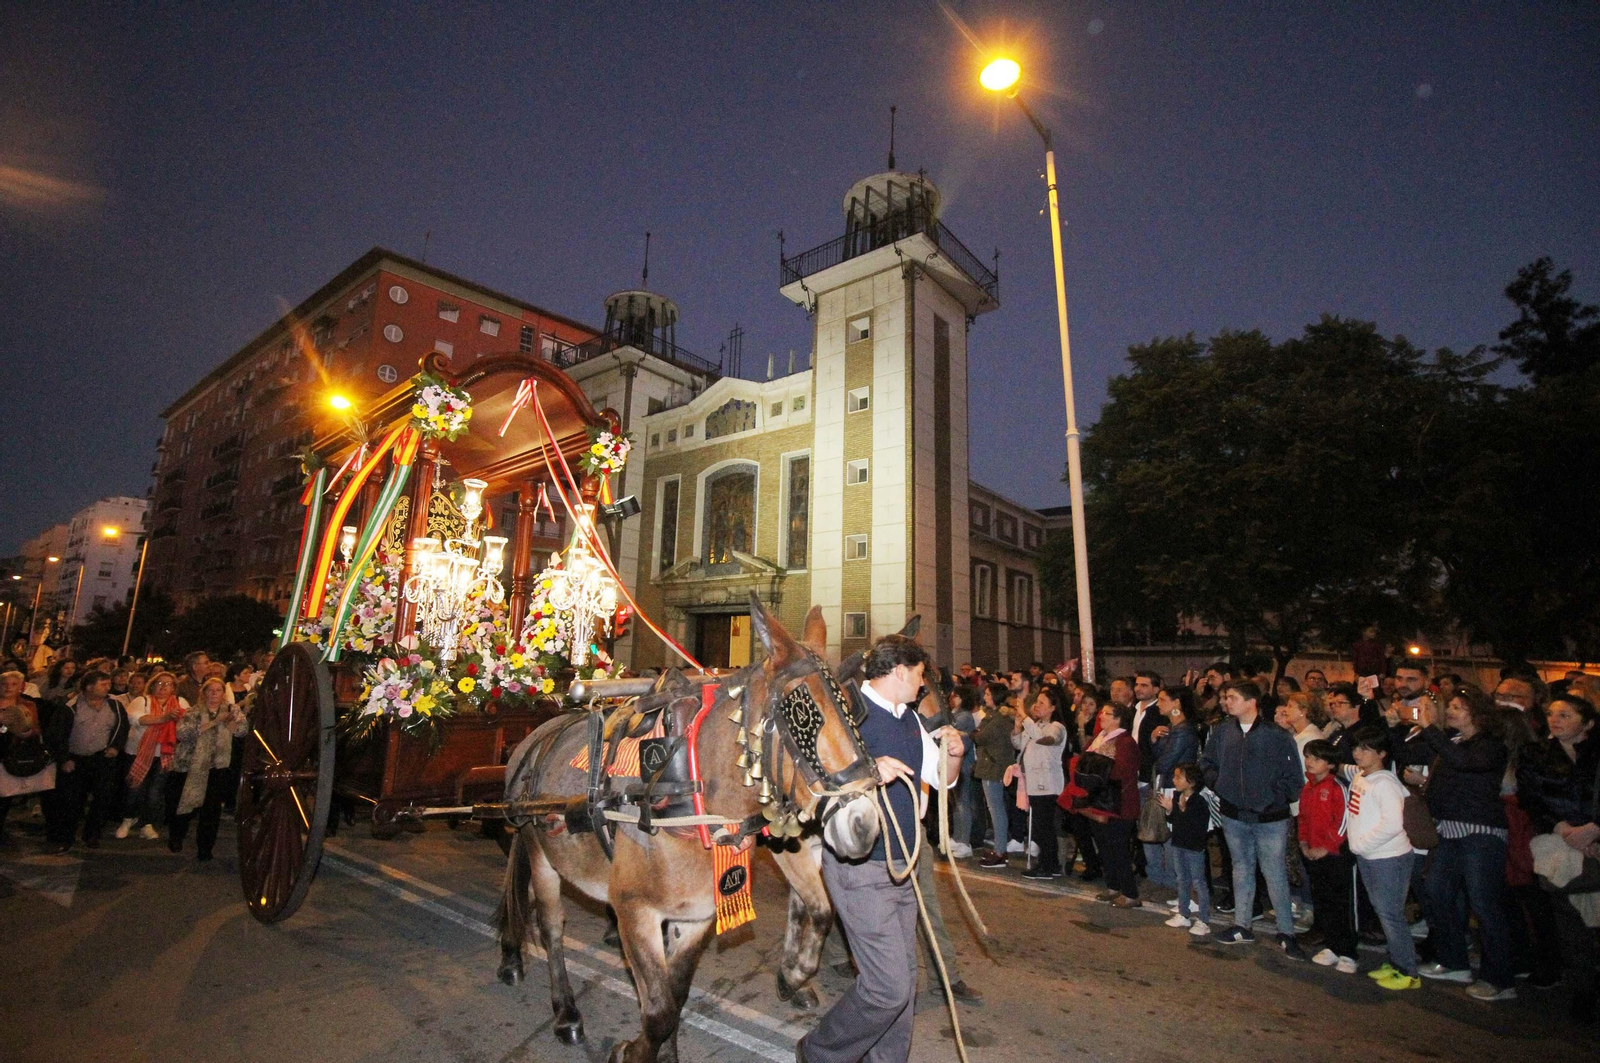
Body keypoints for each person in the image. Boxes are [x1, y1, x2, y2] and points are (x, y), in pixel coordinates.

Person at [798, 634, 963, 1063]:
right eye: (921, 675)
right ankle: (818, 1053)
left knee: (902, 984)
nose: (923, 685)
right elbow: (810, 785)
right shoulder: (844, 713)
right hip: (862, 870)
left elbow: (941, 778)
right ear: (901, 670)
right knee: (886, 988)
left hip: (902, 869)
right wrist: (870, 770)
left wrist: (955, 754)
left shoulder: (909, 719)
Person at [1412, 684, 1517, 1000]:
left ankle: (1500, 979)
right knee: (1437, 891)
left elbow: (1462, 762)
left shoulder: (1490, 745)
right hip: (1449, 831)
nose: (1452, 711)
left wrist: (1430, 728)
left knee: (1484, 903)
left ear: (1477, 713)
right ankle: (1454, 960)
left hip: (1480, 833)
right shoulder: (1453, 741)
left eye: (1458, 706)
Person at [1199, 680, 1304, 954]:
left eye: (1232, 697)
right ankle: (1242, 925)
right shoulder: (1223, 732)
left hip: (1271, 817)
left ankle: (1286, 931)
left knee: (1274, 872)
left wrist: (1274, 797)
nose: (1226, 702)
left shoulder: (1277, 735)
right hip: (1234, 814)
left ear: (1251, 702)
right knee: (1241, 869)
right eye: (1225, 697)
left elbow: (1294, 778)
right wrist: (1219, 783)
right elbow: (1207, 763)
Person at [1517, 693, 1600, 1021]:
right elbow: (1531, 797)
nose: (1556, 720)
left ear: (1588, 722)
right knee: (1569, 917)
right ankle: (1583, 989)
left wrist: (1594, 830)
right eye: (1552, 714)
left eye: (1565, 715)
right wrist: (1565, 829)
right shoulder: (1536, 753)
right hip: (1560, 843)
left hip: (1595, 838)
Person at [1346, 724, 1419, 990]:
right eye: (1356, 748)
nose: (1358, 754)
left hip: (1388, 857)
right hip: (1370, 856)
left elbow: (1393, 824)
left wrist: (1362, 844)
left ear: (1382, 753)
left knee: (1390, 914)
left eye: (1365, 749)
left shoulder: (1386, 783)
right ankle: (1397, 961)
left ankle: (1408, 970)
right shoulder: (1362, 778)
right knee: (1384, 911)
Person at [1298, 739, 1358, 973]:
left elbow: (1343, 822)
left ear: (1330, 764)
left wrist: (1327, 846)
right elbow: (1303, 818)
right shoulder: (1309, 787)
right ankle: (1332, 945)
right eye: (1308, 757)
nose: (1310, 762)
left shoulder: (1337, 787)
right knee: (1322, 901)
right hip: (1313, 853)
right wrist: (1303, 842)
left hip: (1335, 856)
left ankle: (1348, 952)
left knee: (1341, 904)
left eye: (1316, 758)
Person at [54, 670, 130, 852]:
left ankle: (92, 834)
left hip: (101, 758)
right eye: (102, 684)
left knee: (102, 798)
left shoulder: (115, 705)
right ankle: (67, 836)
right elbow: (58, 734)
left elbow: (122, 728)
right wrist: (65, 758)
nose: (107, 687)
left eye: (108, 684)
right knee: (72, 801)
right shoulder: (71, 705)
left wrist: (115, 747)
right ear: (89, 687)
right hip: (76, 759)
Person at [1081, 701, 1141, 908]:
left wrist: (1094, 769)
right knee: (1105, 846)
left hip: (1118, 804)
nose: (1101, 716)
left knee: (1119, 849)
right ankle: (1113, 886)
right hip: (1100, 801)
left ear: (1118, 719)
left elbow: (1120, 772)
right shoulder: (1100, 738)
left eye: (1106, 713)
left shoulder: (1125, 742)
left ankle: (1130, 893)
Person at [0, 668, 67, 847]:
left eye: (13, 684)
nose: (8, 688)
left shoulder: (29, 704)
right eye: (5, 684)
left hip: (19, 752)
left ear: (21, 686)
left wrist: (22, 730)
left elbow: (36, 730)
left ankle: (54, 837)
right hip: (2, 751)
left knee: (12, 795)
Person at [1146, 685, 1200, 890]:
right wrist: (1154, 738)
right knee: (1165, 837)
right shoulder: (1172, 728)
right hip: (1168, 784)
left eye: (1162, 700)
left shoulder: (1183, 730)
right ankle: (1168, 880)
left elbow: (1164, 763)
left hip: (1175, 787)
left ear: (1176, 703)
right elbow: (1160, 756)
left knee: (1171, 838)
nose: (1159, 704)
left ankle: (1176, 884)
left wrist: (1159, 749)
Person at [1014, 686, 1067, 879]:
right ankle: (1046, 863)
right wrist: (1017, 726)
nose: (1037, 706)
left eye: (1042, 703)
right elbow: (1018, 744)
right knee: (1039, 825)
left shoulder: (1056, 728)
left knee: (1045, 826)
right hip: (1034, 782)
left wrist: (1025, 717)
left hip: (1048, 782)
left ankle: (1049, 864)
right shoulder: (1035, 725)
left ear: (1053, 707)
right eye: (1036, 702)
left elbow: (1043, 739)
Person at [1159, 762, 1213, 936]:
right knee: (1181, 879)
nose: (1174, 780)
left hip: (1194, 847)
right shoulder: (1177, 796)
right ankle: (1184, 913)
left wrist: (1183, 811)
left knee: (1198, 882)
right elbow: (1175, 821)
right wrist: (1170, 811)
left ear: (1191, 781)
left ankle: (1204, 919)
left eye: (1178, 777)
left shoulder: (1199, 801)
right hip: (1179, 844)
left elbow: (1199, 826)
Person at [973, 681, 1016, 869]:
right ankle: (999, 849)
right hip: (990, 765)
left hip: (994, 767)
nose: (985, 698)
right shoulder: (993, 715)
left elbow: (981, 736)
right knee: (995, 808)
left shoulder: (1000, 718)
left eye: (989, 695)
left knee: (996, 809)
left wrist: (975, 733)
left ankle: (1000, 851)